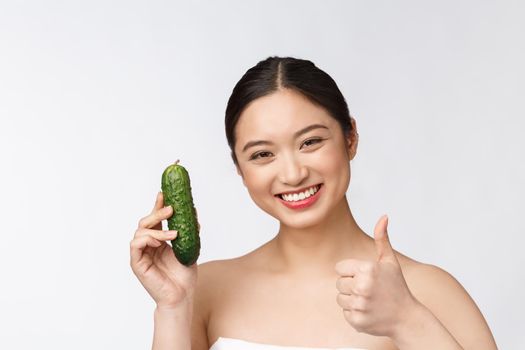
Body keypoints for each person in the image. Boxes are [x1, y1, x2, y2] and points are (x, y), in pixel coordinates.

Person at [130, 56, 498, 350]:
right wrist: (173, 307)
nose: (292, 174)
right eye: (262, 154)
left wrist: (407, 320)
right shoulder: (204, 290)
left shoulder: (427, 290)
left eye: (310, 142)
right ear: (240, 170)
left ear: (350, 138)